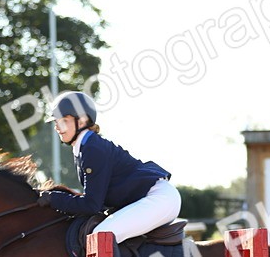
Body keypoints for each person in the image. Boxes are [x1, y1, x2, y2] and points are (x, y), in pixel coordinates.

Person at [37, 91, 181, 243]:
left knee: (101, 235)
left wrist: (54, 199)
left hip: (159, 200)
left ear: (82, 121)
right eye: (56, 122)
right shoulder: (84, 146)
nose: (58, 127)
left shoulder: (92, 148)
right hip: (154, 199)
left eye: (64, 120)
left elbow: (91, 204)